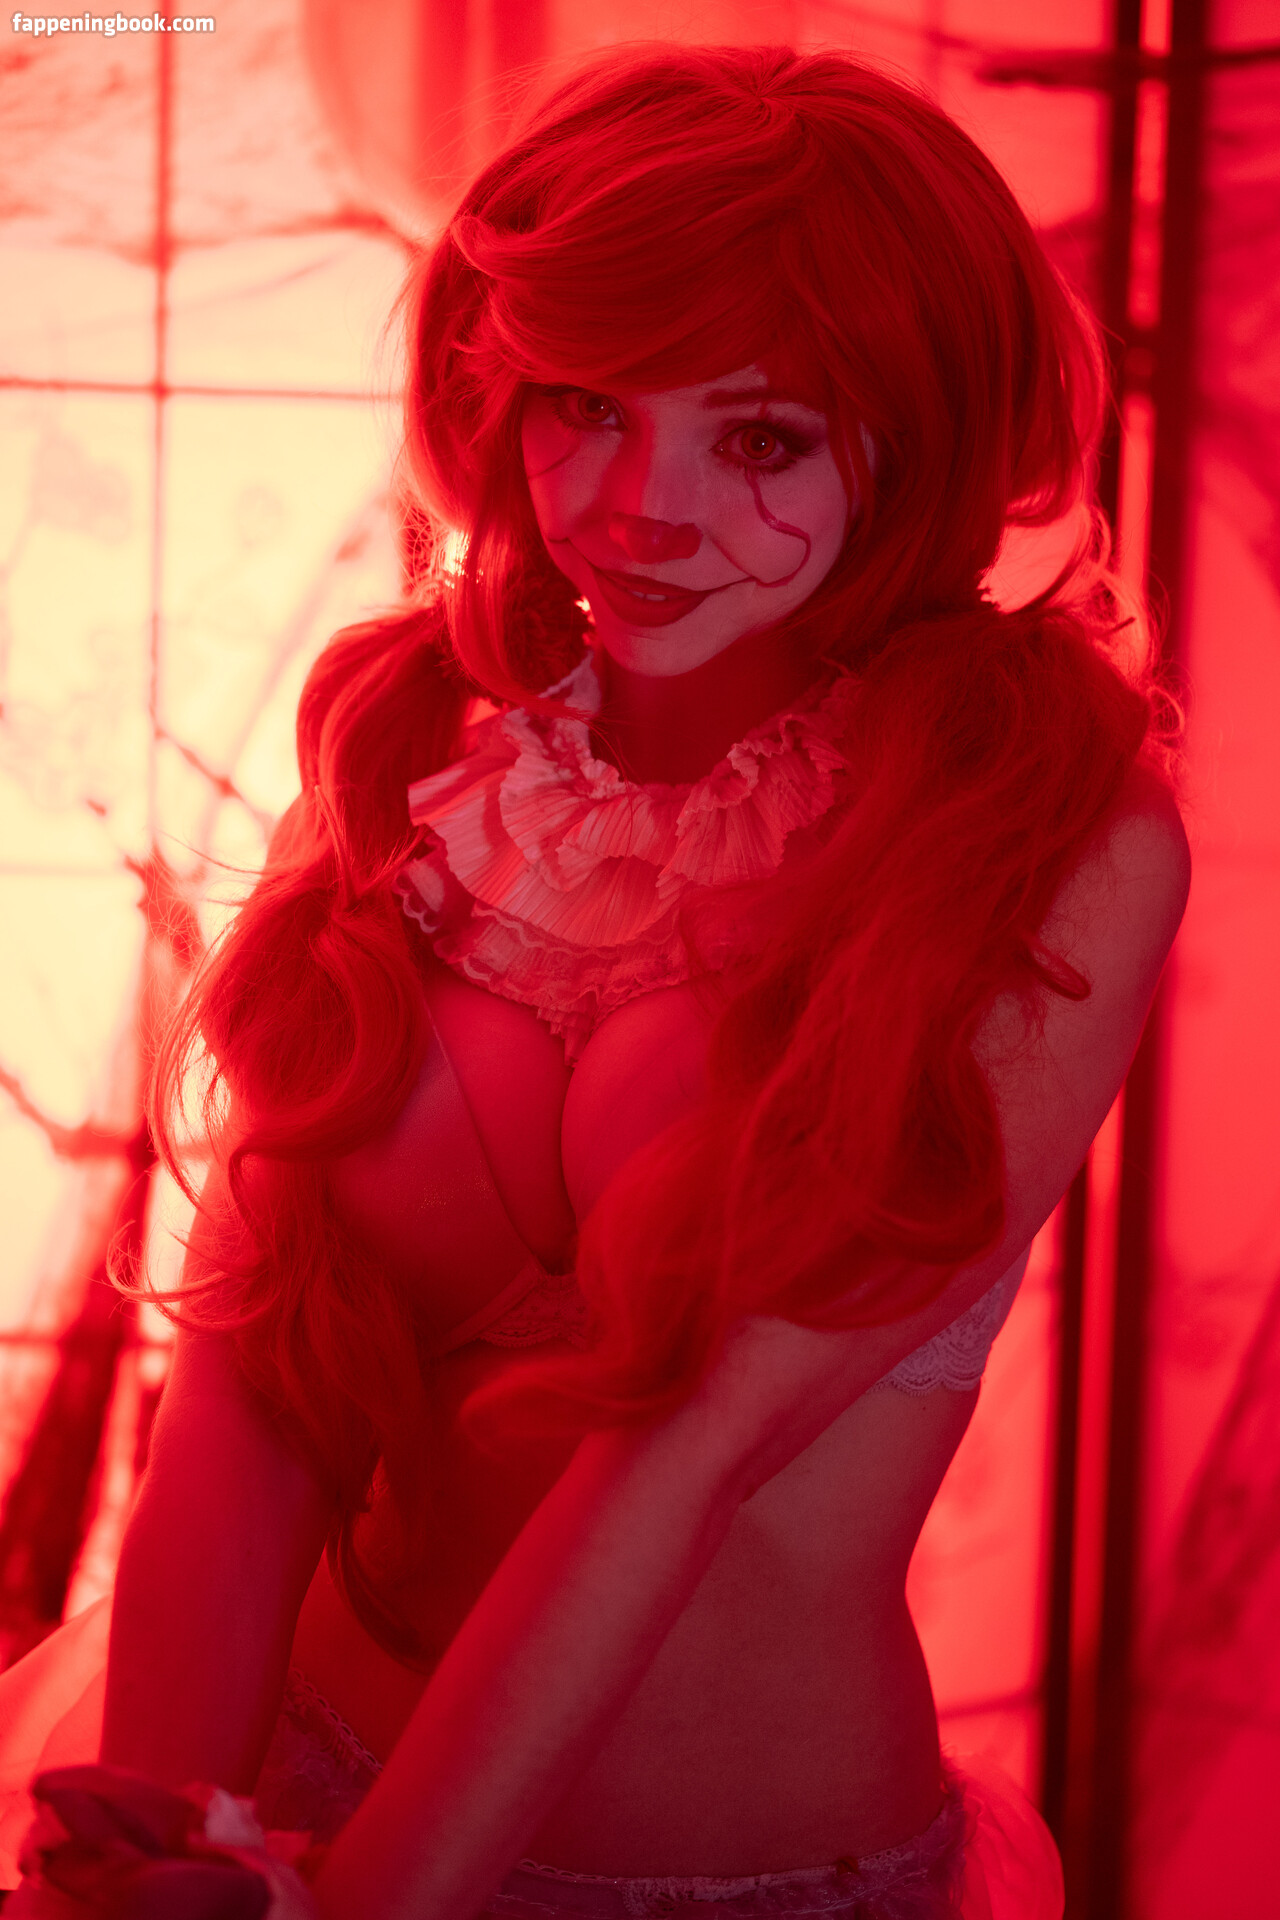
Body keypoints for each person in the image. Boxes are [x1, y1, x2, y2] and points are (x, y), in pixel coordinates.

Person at [2, 43, 1189, 1920]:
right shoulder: (412, 759)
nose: (641, 504)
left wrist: (371, 1910)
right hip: (289, 1800)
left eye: (761, 438)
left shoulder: (1036, 832)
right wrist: (153, 1834)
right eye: (586, 404)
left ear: (917, 439)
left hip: (750, 1884)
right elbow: (260, 1385)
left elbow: (690, 1449)